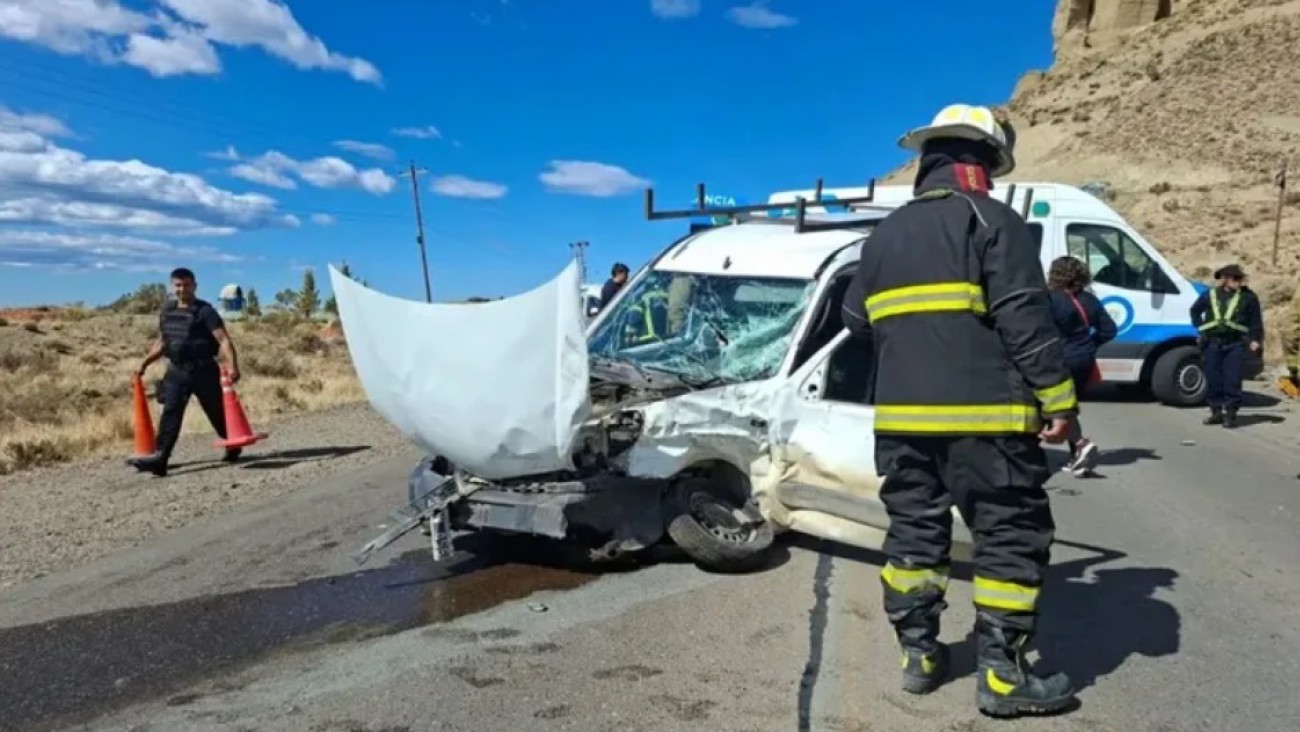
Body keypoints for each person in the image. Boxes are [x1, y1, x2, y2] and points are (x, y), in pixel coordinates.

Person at [841, 103, 1079, 718]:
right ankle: (1002, 677)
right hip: (988, 422)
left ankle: (919, 656)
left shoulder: (881, 237)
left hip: (900, 424)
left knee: (914, 535)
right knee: (1008, 537)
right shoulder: (993, 220)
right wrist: (1059, 401)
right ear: (981, 162)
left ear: (928, 162)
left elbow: (852, 322)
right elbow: (1025, 320)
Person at [128, 267, 243, 477]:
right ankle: (160, 458)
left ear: (195, 286)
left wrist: (232, 365)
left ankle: (233, 443)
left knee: (216, 412)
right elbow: (162, 342)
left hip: (204, 371)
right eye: (178, 285)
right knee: (171, 413)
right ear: (173, 286)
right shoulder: (167, 311)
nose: (182, 289)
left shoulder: (205, 311)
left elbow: (223, 339)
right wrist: (144, 363)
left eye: (186, 285)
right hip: (176, 371)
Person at [1046, 255, 1117, 476]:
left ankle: (1080, 444)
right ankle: (1078, 457)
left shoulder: (1052, 300)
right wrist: (1088, 345)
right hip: (1084, 359)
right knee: (1068, 405)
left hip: (1061, 358)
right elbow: (1109, 330)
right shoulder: (1090, 300)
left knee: (1057, 405)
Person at [1190, 264, 1263, 428]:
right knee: (1214, 380)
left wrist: (1255, 339)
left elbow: (1255, 321)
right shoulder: (1210, 295)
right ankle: (1215, 412)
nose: (1238, 282)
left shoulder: (1248, 297)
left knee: (1233, 380)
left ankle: (1230, 415)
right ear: (1225, 279)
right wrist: (1200, 329)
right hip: (1213, 343)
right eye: (1235, 279)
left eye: (1240, 279)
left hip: (1236, 344)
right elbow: (1195, 311)